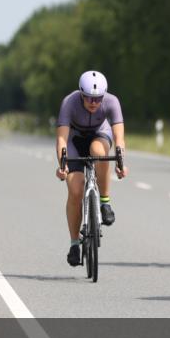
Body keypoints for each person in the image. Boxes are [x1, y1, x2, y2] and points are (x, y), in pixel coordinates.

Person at [54, 71, 127, 267]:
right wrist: (62, 165)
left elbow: (119, 137)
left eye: (97, 99)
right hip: (74, 140)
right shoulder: (69, 102)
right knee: (76, 190)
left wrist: (120, 163)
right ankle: (74, 243)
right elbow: (62, 138)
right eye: (88, 98)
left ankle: (104, 202)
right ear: (81, 94)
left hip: (99, 134)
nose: (93, 103)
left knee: (98, 152)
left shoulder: (112, 101)